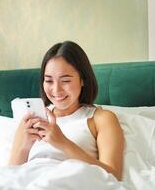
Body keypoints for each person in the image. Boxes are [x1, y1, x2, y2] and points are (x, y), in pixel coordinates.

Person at [8, 41, 124, 181]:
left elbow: (114, 176)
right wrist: (25, 145)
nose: (56, 90)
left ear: (83, 79)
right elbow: (10, 174)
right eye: (49, 81)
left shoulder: (101, 118)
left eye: (65, 80)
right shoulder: (32, 119)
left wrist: (62, 142)